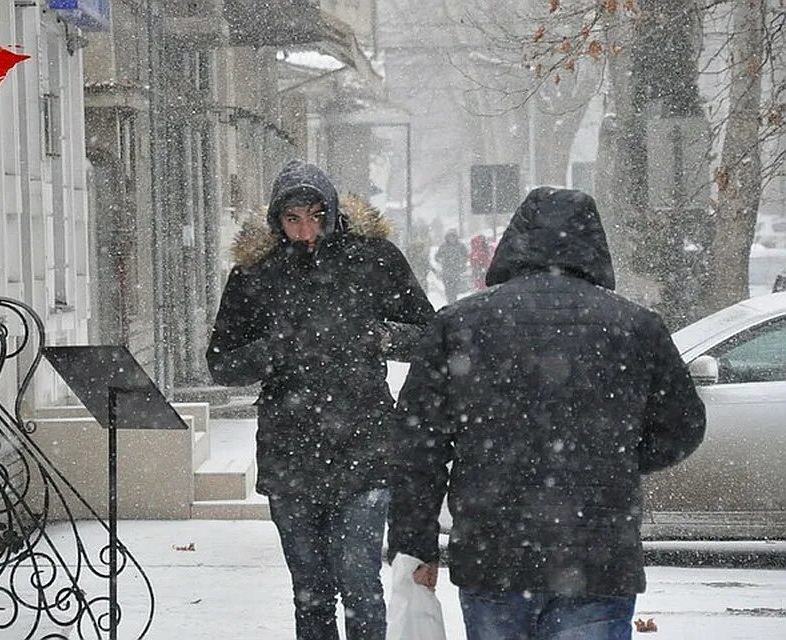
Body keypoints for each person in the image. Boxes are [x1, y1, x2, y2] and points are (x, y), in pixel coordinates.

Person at [387, 187, 706, 640]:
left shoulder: (460, 324)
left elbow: (418, 445)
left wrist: (414, 544)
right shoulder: (636, 327)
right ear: (594, 245)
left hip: (494, 548)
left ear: (515, 244)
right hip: (598, 551)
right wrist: (616, 456)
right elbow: (684, 425)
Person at [207, 160, 434, 640]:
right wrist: (275, 349)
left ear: (332, 211)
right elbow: (222, 364)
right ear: (277, 221)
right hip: (290, 453)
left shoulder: (375, 259)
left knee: (359, 582)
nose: (306, 230)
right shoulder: (255, 274)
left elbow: (430, 336)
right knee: (310, 590)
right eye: (293, 220)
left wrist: (379, 337)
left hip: (365, 447)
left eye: (315, 216)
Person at [434, 229, 470, 302]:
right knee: (448, 291)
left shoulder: (461, 246)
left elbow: (466, 255)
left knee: (455, 291)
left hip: (457, 272)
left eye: (453, 236)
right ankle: (450, 303)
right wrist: (442, 260)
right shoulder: (443, 246)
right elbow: (437, 257)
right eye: (450, 237)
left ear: (456, 237)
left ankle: (454, 303)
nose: (451, 239)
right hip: (447, 273)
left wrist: (462, 262)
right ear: (447, 237)